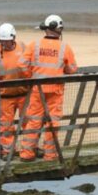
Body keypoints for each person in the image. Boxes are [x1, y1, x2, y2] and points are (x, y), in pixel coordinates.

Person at [18, 14, 77, 161]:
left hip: (37, 90)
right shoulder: (64, 47)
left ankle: (27, 154)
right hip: (55, 91)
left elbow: (22, 64)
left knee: (34, 121)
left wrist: (30, 76)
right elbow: (72, 69)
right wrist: (62, 69)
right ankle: (50, 154)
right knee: (53, 123)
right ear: (58, 29)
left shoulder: (34, 45)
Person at [0, 23, 32, 158]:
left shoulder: (23, 47)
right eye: (1, 41)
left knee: (29, 122)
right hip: (5, 97)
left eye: (6, 40)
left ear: (13, 38)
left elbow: (32, 66)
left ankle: (29, 149)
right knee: (6, 126)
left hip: (24, 95)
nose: (4, 43)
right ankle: (8, 151)